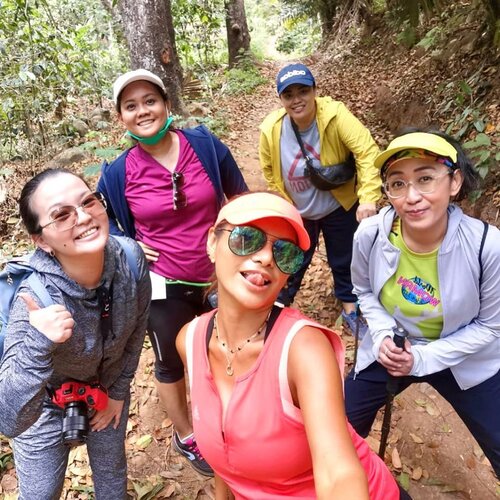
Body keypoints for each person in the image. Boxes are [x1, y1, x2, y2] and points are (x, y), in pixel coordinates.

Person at [176, 192, 410, 499]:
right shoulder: (190, 340)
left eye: (284, 253)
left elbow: (336, 471)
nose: (266, 258)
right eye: (247, 238)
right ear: (212, 242)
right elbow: (224, 454)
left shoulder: (304, 349)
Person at [97, 69, 248, 476]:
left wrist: (238, 241)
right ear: (120, 117)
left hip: (220, 272)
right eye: (131, 106)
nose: (142, 110)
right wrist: (124, 245)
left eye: (149, 100)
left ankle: (232, 418)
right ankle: (187, 435)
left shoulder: (203, 145)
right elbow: (101, 223)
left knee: (227, 349)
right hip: (163, 282)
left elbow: (240, 196)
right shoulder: (117, 173)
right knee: (171, 361)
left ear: (166, 104)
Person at [344, 129, 500, 478]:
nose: (412, 197)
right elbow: (363, 290)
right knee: (336, 428)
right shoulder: (371, 235)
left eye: (426, 179)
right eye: (397, 184)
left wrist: (423, 359)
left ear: (454, 181)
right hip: (396, 347)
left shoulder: (487, 247)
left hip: (466, 357)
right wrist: (384, 337)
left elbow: (491, 326)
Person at [0, 168, 151, 499]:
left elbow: (138, 328)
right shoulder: (34, 300)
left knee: (112, 474)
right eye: (61, 215)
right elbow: (9, 419)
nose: (84, 217)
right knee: (41, 493)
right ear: (41, 240)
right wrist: (38, 344)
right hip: (43, 405)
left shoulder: (129, 258)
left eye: (88, 201)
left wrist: (118, 393)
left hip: (106, 389)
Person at [259, 63, 381, 335]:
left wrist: (368, 198)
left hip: (338, 202)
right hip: (298, 208)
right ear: (281, 99)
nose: (296, 99)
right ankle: (275, 305)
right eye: (288, 95)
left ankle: (351, 306)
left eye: (303, 91)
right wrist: (281, 201)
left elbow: (367, 152)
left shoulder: (335, 116)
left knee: (345, 255)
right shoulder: (271, 129)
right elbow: (268, 168)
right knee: (291, 257)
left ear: (315, 91)